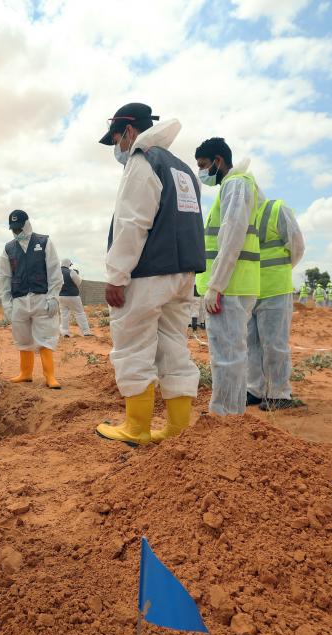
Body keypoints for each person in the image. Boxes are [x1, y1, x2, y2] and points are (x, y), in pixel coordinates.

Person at [96, 103, 205, 445]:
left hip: (147, 276)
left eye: (116, 139)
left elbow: (132, 223)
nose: (117, 148)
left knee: (133, 346)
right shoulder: (182, 169)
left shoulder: (142, 162)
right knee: (174, 347)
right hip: (182, 275)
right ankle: (175, 429)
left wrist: (117, 276)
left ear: (129, 131)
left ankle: (137, 429)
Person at [194, 137, 262, 416]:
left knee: (226, 356)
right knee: (232, 352)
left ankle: (225, 416)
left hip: (229, 287)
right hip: (235, 285)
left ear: (218, 161)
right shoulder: (240, 185)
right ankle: (229, 412)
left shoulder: (236, 184)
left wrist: (216, 285)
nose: (202, 173)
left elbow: (231, 235)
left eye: (204, 166)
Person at [245, 199, 305, 411]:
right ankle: (254, 389)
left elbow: (297, 246)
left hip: (275, 289)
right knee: (250, 343)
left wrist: (281, 272)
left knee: (273, 344)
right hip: (248, 289)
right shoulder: (241, 212)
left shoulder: (276, 209)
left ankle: (279, 393)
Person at [0, 209, 63, 388]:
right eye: (14, 229)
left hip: (41, 298)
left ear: (27, 224)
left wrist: (53, 298)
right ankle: (25, 373)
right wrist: (7, 304)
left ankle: (49, 376)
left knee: (46, 336)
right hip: (19, 300)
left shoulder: (44, 242)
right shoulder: (8, 248)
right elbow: (4, 278)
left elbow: (54, 272)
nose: (17, 232)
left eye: (19, 228)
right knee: (22, 338)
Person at [57, 259, 93, 337]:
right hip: (73, 296)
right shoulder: (71, 272)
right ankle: (86, 332)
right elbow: (79, 282)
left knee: (64, 314)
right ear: (68, 264)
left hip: (60, 296)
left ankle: (64, 332)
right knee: (79, 313)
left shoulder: (56, 272)